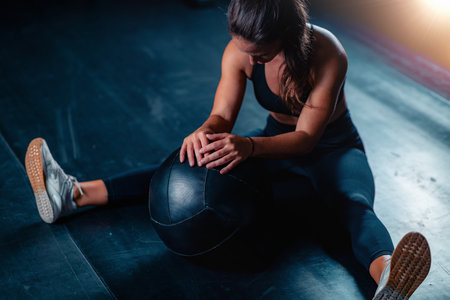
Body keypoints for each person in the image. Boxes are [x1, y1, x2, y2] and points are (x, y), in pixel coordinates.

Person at [25, 0, 431, 299]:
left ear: (286, 39)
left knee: (352, 203)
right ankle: (73, 194)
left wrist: (249, 147)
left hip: (333, 148)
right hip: (270, 142)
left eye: (260, 54)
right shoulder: (240, 51)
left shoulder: (328, 53)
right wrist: (203, 134)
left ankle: (387, 277)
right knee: (191, 161)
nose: (248, 58)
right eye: (243, 49)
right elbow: (222, 115)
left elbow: (307, 138)